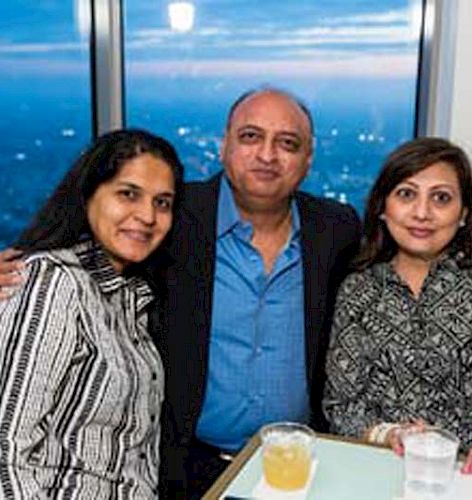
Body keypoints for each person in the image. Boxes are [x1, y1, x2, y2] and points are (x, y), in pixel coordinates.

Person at [0, 88, 361, 498]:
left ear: (308, 159)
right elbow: (86, 242)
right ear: (223, 146)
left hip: (295, 467)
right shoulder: (176, 218)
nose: (267, 154)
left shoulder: (336, 228)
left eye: (287, 143)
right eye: (250, 136)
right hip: (185, 470)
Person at [0, 129, 184, 498]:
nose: (147, 215)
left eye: (162, 202)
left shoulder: (131, 297)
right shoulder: (55, 283)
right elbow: (5, 454)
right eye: (128, 194)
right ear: (88, 195)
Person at [322, 137, 472, 479]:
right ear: (382, 208)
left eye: (441, 198)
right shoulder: (359, 290)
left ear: (463, 213)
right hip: (382, 473)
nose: (422, 213)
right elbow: (340, 407)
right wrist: (389, 434)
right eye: (406, 194)